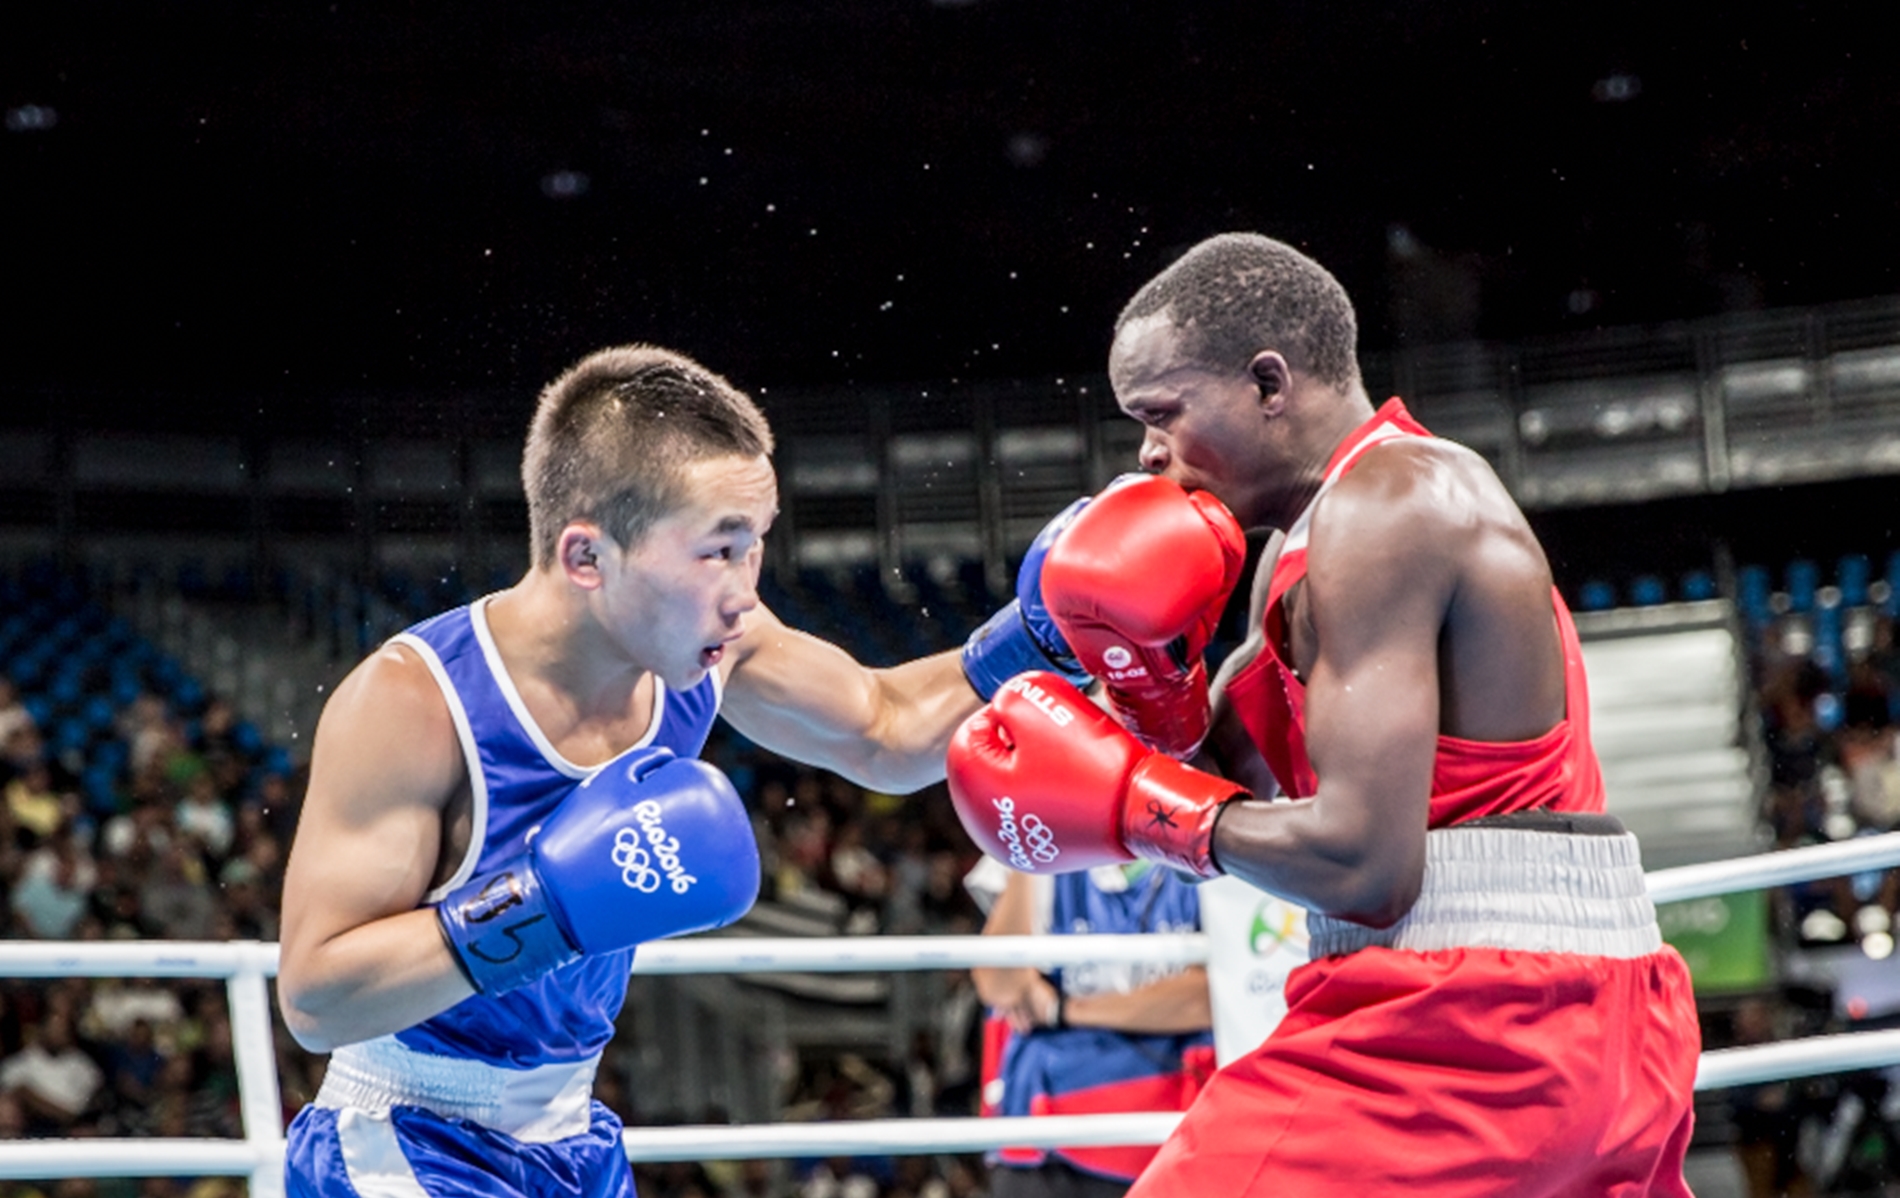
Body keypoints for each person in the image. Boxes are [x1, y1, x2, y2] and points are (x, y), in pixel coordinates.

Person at [945, 233, 1700, 1195]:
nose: (1147, 452)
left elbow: (1364, 866)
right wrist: (1146, 681)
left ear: (1269, 383)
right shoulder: (1305, 547)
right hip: (1554, 1006)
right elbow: (1220, 769)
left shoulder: (1389, 505)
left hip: (1477, 1018)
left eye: (1162, 413)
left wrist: (1142, 809)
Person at [276, 344, 1089, 1197]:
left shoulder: (710, 650)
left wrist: (1043, 635)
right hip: (400, 1136)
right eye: (717, 550)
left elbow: (885, 731)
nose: (744, 590)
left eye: (754, 545)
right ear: (587, 558)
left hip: (571, 1135)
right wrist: (545, 907)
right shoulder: (417, 702)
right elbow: (316, 1000)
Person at [967, 859, 1212, 1198]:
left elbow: (1207, 999)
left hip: (1165, 1133)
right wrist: (1024, 856)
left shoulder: (1208, 850)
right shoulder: (1041, 851)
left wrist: (1061, 1009)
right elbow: (999, 987)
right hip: (1043, 1137)